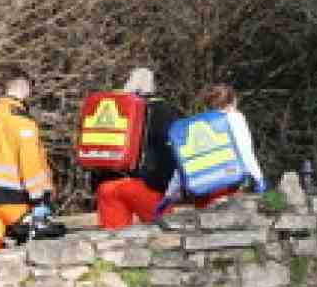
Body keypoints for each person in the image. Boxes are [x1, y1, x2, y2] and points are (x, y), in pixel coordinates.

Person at [0, 72, 56, 256]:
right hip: (15, 199)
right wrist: (40, 198)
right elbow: (30, 163)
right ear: (26, 91)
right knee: (40, 248)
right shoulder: (22, 122)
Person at [153, 84, 267, 216]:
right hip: (229, 187)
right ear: (234, 100)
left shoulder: (193, 127)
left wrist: (168, 196)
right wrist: (259, 179)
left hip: (203, 193)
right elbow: (245, 152)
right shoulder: (235, 118)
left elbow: (183, 166)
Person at [95, 67, 182, 229]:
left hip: (111, 187)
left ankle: (112, 249)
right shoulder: (164, 110)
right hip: (152, 190)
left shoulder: (116, 108)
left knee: (114, 236)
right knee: (165, 231)